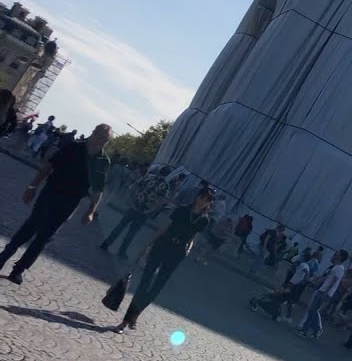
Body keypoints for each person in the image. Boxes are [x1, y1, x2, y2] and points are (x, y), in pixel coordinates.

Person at [0, 123, 111, 283]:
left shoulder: (103, 161)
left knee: (45, 236)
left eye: (105, 140)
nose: (101, 142)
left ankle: (19, 269)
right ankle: (4, 256)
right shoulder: (73, 147)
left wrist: (91, 211)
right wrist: (32, 187)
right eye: (100, 137)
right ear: (93, 133)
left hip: (70, 202)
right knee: (31, 226)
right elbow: (48, 166)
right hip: (51, 193)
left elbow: (98, 189)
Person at [111, 186, 215, 332]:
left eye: (207, 199)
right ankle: (125, 321)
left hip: (177, 253)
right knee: (144, 283)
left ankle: (135, 314)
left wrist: (189, 247)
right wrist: (147, 246)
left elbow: (194, 236)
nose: (202, 201)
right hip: (162, 245)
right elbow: (165, 228)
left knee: (156, 287)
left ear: (209, 203)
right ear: (197, 196)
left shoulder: (204, 220)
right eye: (201, 197)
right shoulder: (182, 210)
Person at [98, 166, 172, 260]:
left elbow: (133, 186)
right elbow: (161, 201)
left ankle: (107, 243)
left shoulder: (148, 177)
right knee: (132, 232)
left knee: (121, 225)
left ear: (160, 171)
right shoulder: (165, 186)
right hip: (145, 211)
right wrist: (152, 209)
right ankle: (122, 251)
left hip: (135, 205)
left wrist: (131, 200)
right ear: (167, 175)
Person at [298, 249, 348, 338]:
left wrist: (326, 292)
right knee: (312, 310)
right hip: (322, 289)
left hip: (326, 291)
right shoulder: (335, 266)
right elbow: (327, 277)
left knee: (314, 309)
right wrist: (315, 282)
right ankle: (312, 328)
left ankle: (310, 329)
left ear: (341, 257)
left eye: (338, 254)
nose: (336, 255)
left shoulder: (340, 268)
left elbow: (334, 281)